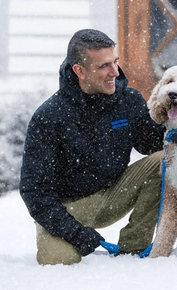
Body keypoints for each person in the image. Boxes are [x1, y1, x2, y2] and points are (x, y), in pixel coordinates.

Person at [20, 29, 165, 265]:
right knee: (59, 262)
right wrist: (76, 233)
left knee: (163, 160)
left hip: (114, 193)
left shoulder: (127, 100)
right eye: (104, 66)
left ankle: (134, 247)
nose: (115, 72)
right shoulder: (49, 117)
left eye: (115, 62)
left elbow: (151, 143)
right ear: (79, 71)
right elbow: (34, 192)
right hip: (68, 208)